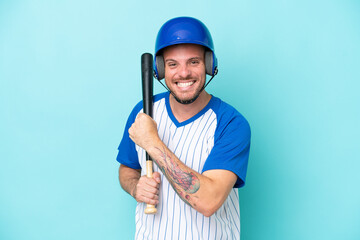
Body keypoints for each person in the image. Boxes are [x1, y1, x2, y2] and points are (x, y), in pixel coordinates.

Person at [117, 16, 251, 240]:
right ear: (160, 70)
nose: (183, 73)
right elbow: (127, 169)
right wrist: (134, 187)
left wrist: (152, 142)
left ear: (209, 65)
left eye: (194, 62)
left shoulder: (231, 123)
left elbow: (209, 201)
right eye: (172, 64)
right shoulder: (143, 112)